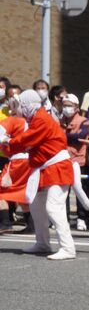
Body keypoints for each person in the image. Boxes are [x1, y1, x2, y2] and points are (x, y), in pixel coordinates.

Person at [2, 90, 76, 260]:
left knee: (53, 207)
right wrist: (8, 144)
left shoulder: (41, 119)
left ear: (28, 105)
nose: (20, 107)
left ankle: (68, 248)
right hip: (45, 168)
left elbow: (27, 140)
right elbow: (27, 141)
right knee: (36, 205)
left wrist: (7, 142)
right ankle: (42, 243)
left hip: (57, 166)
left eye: (22, 104)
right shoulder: (38, 118)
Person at [60, 94, 89, 231]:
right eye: (64, 105)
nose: (67, 108)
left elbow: (80, 137)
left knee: (80, 189)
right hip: (63, 159)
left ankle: (82, 218)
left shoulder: (84, 120)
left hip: (78, 160)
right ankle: (65, 217)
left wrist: (63, 136)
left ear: (76, 107)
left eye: (70, 105)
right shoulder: (60, 121)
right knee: (64, 191)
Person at [0, 100, 31, 234]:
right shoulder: (32, 121)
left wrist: (7, 140)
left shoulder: (12, 121)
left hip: (16, 161)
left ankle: (5, 223)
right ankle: (32, 225)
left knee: (1, 192)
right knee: (23, 193)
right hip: (31, 160)